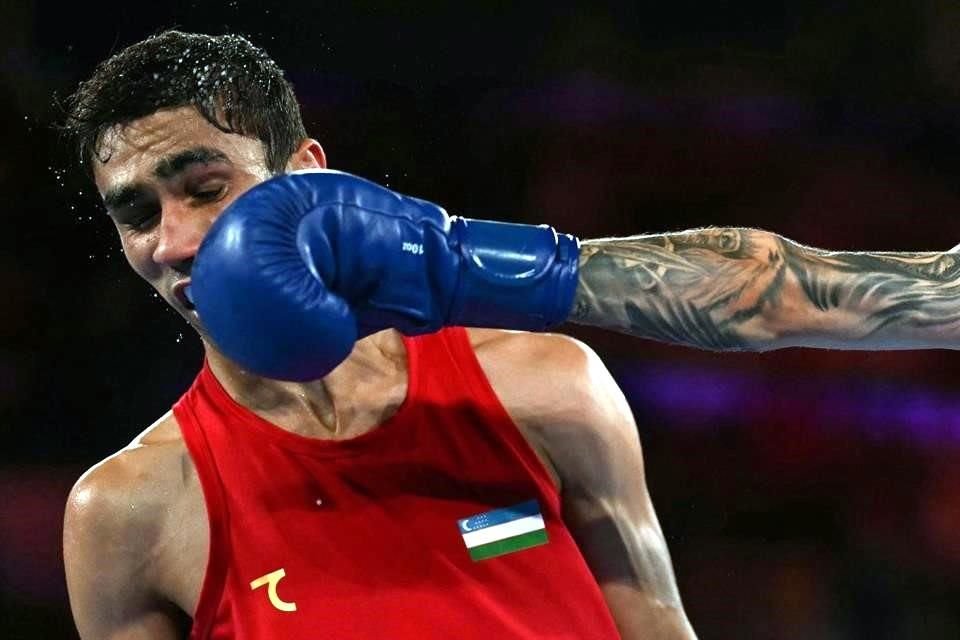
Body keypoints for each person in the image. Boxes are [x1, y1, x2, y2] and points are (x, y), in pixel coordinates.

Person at [62, 30, 960, 640]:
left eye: (206, 186)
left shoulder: (545, 386)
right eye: (135, 212)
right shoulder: (130, 513)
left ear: (307, 176)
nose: (175, 241)